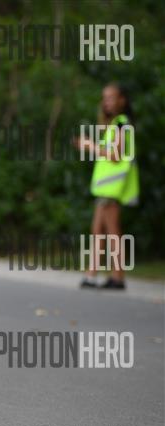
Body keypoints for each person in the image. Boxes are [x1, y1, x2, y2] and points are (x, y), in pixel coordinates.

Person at [76, 83, 138, 290]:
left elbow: (116, 155)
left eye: (111, 98)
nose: (106, 102)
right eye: (105, 98)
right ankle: (93, 274)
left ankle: (117, 277)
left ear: (122, 100)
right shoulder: (115, 125)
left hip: (112, 188)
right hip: (105, 189)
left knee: (111, 232)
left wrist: (90, 146)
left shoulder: (121, 123)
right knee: (98, 231)